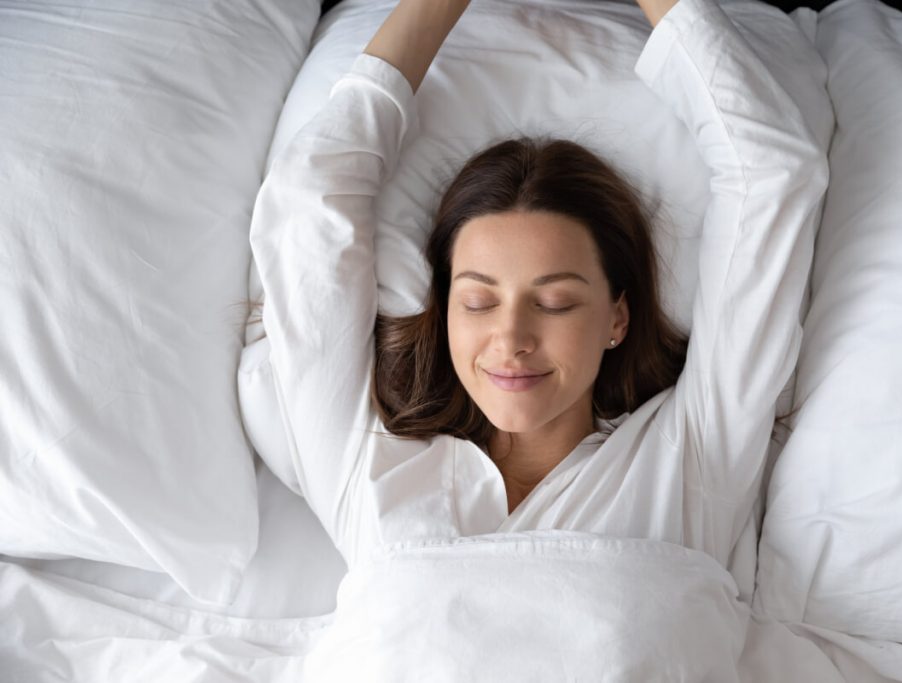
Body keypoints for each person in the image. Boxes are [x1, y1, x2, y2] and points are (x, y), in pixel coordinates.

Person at [248, 0, 827, 581]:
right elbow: (305, 205)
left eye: (555, 302)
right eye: (477, 301)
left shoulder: (689, 461)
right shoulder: (366, 466)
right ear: (445, 311)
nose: (512, 338)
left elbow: (773, 176)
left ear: (616, 319)